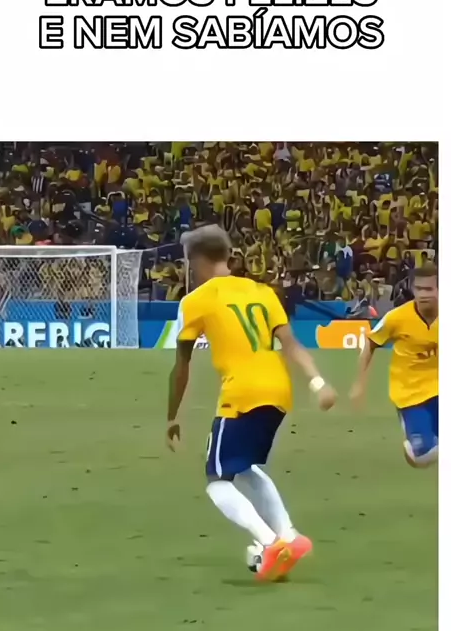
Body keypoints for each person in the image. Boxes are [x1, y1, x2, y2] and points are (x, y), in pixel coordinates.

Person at [166, 225, 337, 581]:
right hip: (278, 390)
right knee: (243, 466)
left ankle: (271, 543)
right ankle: (289, 535)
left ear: (196, 261)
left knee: (217, 480)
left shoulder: (196, 300)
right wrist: (318, 382)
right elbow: (291, 344)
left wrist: (172, 418)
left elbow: (182, 365)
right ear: (229, 255)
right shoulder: (262, 292)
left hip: (241, 393)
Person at [350, 263, 438, 468]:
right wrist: (359, 384)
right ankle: (419, 445)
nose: (423, 295)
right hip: (409, 393)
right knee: (421, 458)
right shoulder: (397, 318)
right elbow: (370, 344)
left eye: (429, 289)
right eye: (419, 289)